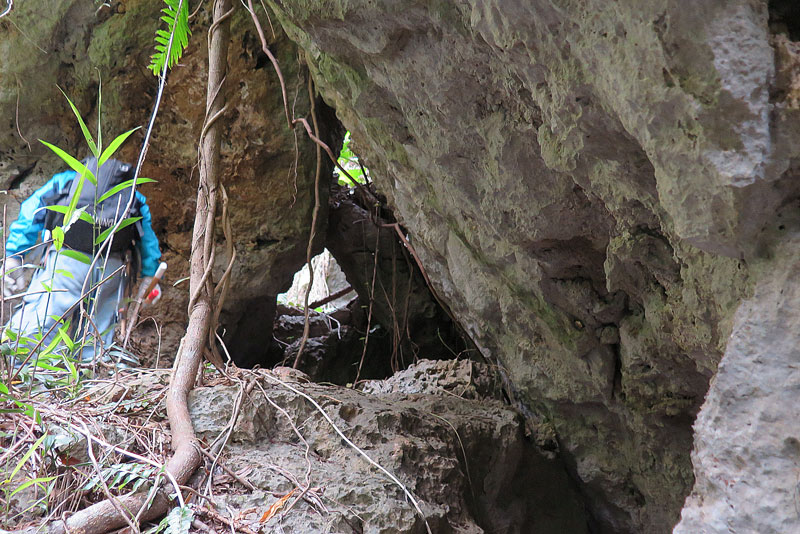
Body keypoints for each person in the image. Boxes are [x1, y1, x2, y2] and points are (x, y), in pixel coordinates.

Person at [2, 157, 162, 365]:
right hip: (111, 269)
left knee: (43, 323)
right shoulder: (132, 194)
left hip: (67, 261)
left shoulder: (68, 181)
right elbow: (148, 241)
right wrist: (151, 276)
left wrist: (15, 255)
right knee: (97, 337)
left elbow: (31, 212)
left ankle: (25, 376)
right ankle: (90, 383)